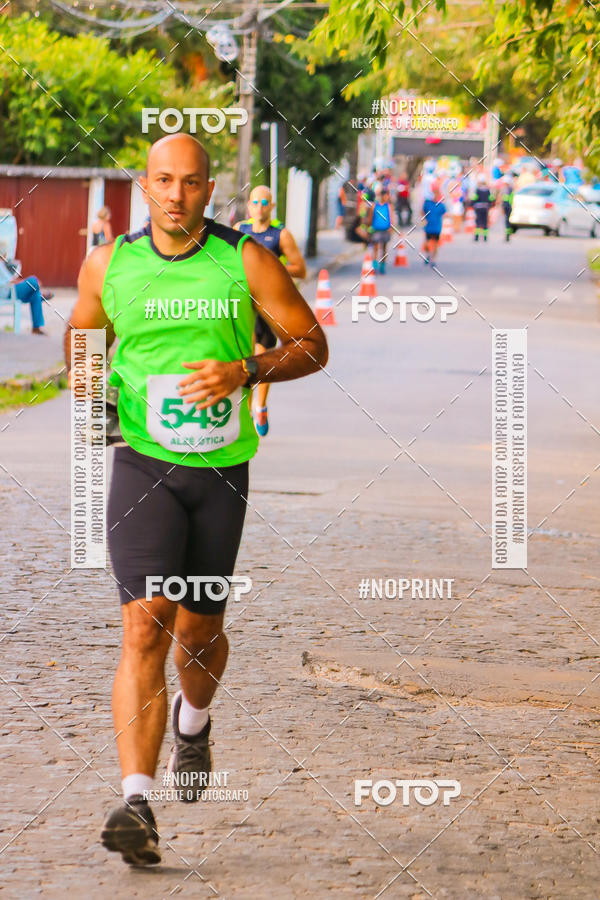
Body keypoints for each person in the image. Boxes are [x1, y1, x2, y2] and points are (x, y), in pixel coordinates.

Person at [64, 134, 327, 867]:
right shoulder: (108, 264)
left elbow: (311, 344)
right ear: (143, 187)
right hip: (141, 464)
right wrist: (95, 410)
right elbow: (85, 339)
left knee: (199, 637)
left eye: (190, 182)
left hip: (217, 474)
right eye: (162, 180)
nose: (175, 194)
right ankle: (138, 801)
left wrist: (245, 369)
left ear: (211, 189)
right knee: (145, 625)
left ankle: (195, 719)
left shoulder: (244, 259)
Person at [234, 185, 307, 437]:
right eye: (255, 202)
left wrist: (271, 271)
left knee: (261, 357)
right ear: (249, 206)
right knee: (242, 354)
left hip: (267, 303)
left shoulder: (281, 235)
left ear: (272, 206)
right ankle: (244, 406)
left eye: (264, 203)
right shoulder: (239, 231)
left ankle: (260, 405)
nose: (259, 207)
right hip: (243, 301)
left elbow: (300, 268)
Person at [0, 256, 52, 335]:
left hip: (7, 290)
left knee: (36, 294)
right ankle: (42, 293)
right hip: (7, 292)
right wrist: (23, 281)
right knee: (33, 280)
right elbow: (10, 281)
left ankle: (36, 328)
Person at [368, 186, 393, 274]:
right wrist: (370, 227)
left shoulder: (389, 206)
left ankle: (383, 264)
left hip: (385, 229)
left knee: (384, 248)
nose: (387, 197)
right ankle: (375, 264)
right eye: (385, 196)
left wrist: (391, 228)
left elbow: (391, 218)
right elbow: (370, 218)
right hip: (376, 229)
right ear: (382, 196)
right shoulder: (375, 206)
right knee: (376, 247)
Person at [422, 183, 447, 266]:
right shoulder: (428, 203)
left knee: (435, 244)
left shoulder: (441, 205)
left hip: (437, 227)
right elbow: (422, 211)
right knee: (427, 243)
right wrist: (424, 219)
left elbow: (445, 213)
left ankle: (433, 260)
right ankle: (428, 255)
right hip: (429, 226)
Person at [470, 174, 495, 242]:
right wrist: (490, 205)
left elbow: (474, 198)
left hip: (478, 208)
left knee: (478, 222)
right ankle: (485, 237)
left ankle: (477, 237)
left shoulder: (477, 190)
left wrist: (471, 204)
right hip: (485, 208)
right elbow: (491, 199)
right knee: (485, 222)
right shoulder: (488, 190)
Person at [500, 175, 514, 242]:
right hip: (509, 206)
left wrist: (502, 207)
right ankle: (508, 235)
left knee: (506, 221)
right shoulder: (511, 188)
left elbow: (503, 198)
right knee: (508, 220)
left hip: (506, 205)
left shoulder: (505, 189)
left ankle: (507, 235)